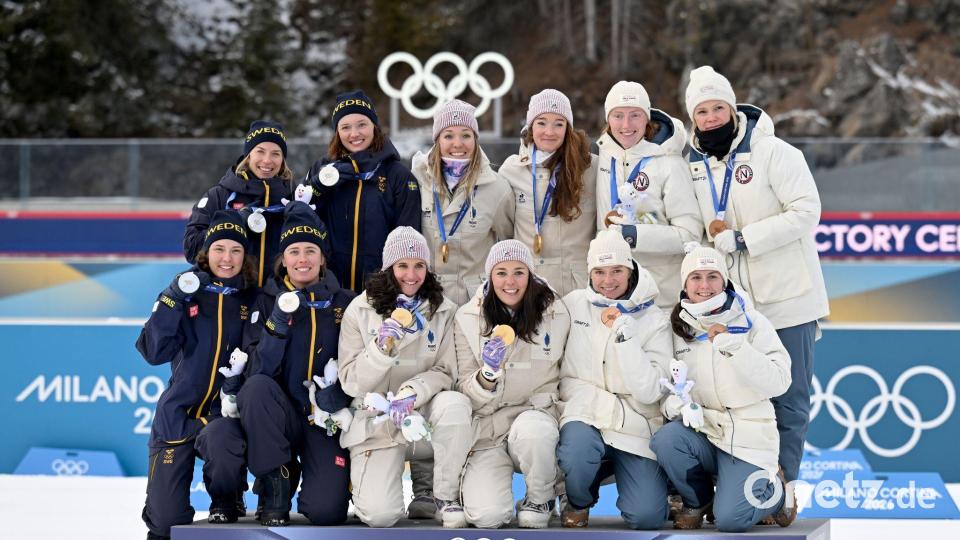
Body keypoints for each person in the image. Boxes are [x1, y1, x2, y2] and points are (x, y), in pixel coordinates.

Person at [683, 66, 829, 485]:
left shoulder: (775, 152)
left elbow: (806, 211)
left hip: (787, 297)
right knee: (734, 395)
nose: (710, 118)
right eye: (702, 112)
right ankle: (734, 485)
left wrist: (745, 238)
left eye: (717, 108)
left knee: (790, 395)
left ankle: (781, 486)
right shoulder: (694, 165)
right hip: (730, 301)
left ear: (733, 109)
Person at [223, 201, 356, 526]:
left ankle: (312, 477)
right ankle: (276, 480)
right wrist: (277, 326)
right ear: (283, 259)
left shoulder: (346, 303)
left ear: (323, 258)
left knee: (327, 512)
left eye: (310, 250)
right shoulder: (264, 302)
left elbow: (361, 362)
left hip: (324, 419)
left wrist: (343, 394)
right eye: (294, 251)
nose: (302, 259)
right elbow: (257, 371)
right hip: (278, 415)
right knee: (254, 389)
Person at [650, 246, 794, 531]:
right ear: (684, 284)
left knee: (731, 520)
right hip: (705, 430)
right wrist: (678, 406)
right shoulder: (677, 328)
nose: (704, 286)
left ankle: (776, 492)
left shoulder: (752, 322)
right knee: (666, 440)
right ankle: (699, 500)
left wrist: (736, 348)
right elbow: (667, 390)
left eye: (713, 276)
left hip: (747, 437)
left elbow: (780, 381)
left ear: (725, 281)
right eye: (696, 277)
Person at [337, 226, 473, 528]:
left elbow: (446, 371)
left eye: (419, 266)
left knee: (455, 404)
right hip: (377, 422)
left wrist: (412, 392)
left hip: (422, 416)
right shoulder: (359, 310)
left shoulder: (444, 310)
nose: (411, 275)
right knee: (380, 515)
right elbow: (350, 382)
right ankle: (376, 483)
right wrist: (379, 350)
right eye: (402, 266)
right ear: (389, 268)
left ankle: (442, 493)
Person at [136, 210, 259, 539]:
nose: (227, 258)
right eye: (219, 248)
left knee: (221, 443)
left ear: (245, 255)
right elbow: (153, 352)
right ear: (207, 252)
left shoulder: (252, 298)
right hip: (177, 416)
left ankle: (227, 497)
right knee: (164, 522)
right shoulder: (185, 292)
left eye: (236, 250)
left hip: (224, 416)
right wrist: (172, 299)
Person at [556, 229, 671, 529]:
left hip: (633, 428)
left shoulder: (655, 320)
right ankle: (579, 501)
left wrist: (624, 334)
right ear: (590, 273)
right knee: (578, 449)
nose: (608, 281)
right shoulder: (573, 305)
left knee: (648, 517)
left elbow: (648, 392)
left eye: (617, 270)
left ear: (630, 269)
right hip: (584, 417)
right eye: (600, 272)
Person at [454, 239, 570, 529]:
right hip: (490, 427)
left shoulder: (557, 312)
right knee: (486, 517)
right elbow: (463, 385)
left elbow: (567, 374)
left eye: (519, 272)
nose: (510, 281)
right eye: (501, 272)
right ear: (489, 277)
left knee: (534, 432)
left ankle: (540, 497)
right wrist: (487, 375)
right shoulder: (468, 317)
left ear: (530, 275)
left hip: (535, 417)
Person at [595, 81, 703, 307]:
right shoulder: (606, 157)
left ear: (647, 118)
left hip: (660, 296)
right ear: (608, 119)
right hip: (614, 294)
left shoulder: (669, 162)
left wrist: (633, 235)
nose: (626, 124)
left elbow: (689, 235)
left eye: (635, 115)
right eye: (618, 115)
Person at [305, 90, 421, 293]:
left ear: (374, 127)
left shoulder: (398, 175)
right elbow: (303, 220)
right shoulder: (322, 170)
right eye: (345, 127)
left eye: (362, 124)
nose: (354, 133)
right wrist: (317, 187)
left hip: (381, 290)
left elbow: (408, 239)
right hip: (330, 289)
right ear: (337, 132)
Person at [412, 99, 515, 305]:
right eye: (448, 135)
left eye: (466, 135)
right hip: (427, 300)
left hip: (476, 303)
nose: (458, 144)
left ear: (475, 140)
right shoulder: (417, 181)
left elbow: (509, 246)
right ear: (437, 140)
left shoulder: (497, 188)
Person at [498, 89, 597, 296]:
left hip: (579, 288)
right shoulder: (511, 170)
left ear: (567, 128)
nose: (549, 132)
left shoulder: (591, 167)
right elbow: (504, 231)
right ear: (531, 127)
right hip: (530, 289)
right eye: (541, 122)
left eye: (558, 124)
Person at [184, 120, 293, 287]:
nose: (267, 160)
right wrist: (231, 223)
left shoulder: (291, 199)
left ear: (283, 159)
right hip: (231, 300)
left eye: (276, 153)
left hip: (276, 301)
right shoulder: (220, 196)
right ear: (248, 156)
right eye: (260, 152)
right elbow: (191, 250)